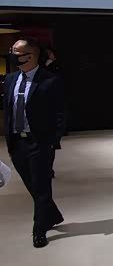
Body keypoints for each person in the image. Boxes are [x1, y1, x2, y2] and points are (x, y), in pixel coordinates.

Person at [3, 37, 66, 248]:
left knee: (41, 187)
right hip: (16, 143)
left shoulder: (50, 81)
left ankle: (39, 230)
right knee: (31, 184)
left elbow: (60, 112)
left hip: (39, 143)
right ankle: (53, 214)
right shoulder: (11, 79)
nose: (12, 56)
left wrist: (53, 140)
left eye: (16, 52)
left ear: (30, 56)